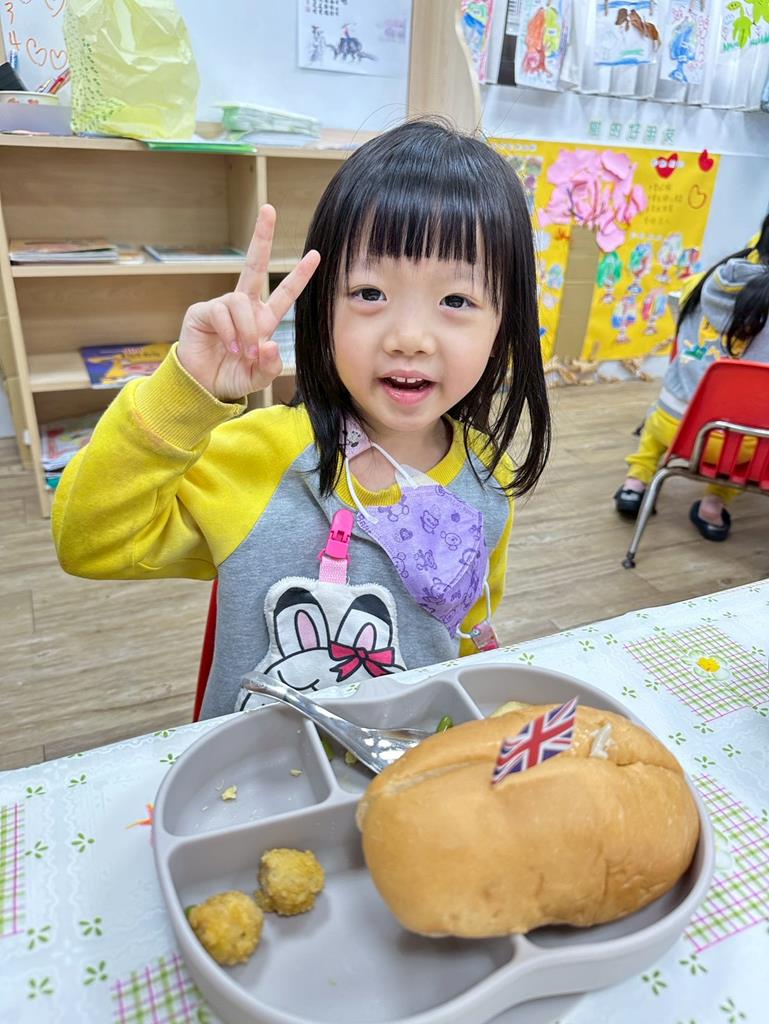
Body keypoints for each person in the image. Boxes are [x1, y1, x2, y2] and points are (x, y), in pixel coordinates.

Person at [52, 120, 551, 719]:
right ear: (322, 307)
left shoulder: (488, 480)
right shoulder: (256, 458)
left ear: (504, 325)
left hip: (406, 757)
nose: (409, 338)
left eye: (456, 300)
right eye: (370, 293)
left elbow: (469, 629)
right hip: (259, 766)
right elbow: (90, 543)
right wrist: (185, 391)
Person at [614, 213, 769, 541]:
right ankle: (713, 505)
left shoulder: (698, 285)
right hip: (744, 450)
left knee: (660, 414)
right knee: (754, 431)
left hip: (678, 432)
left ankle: (635, 482)